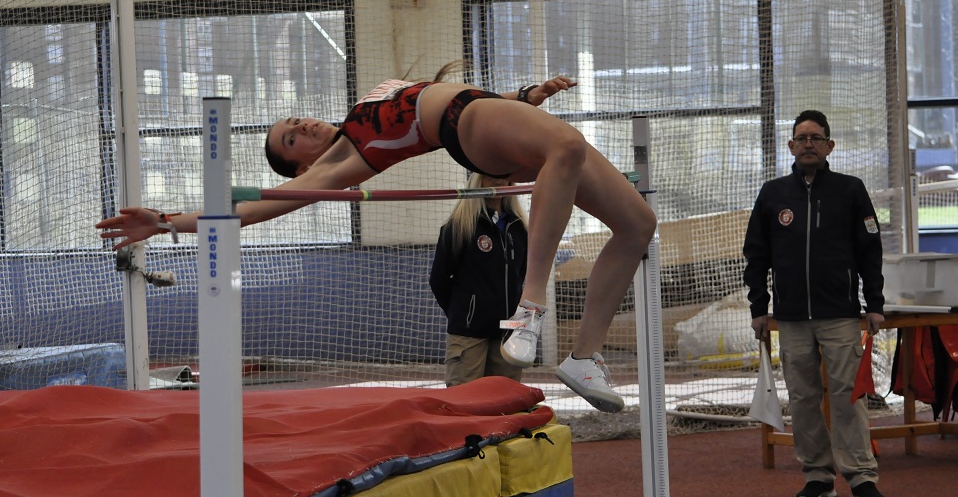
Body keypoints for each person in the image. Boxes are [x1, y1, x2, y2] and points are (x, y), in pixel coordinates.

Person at [97, 62, 657, 412]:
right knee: (566, 147)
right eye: (294, 139)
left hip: (488, 114)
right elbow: (248, 212)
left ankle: (585, 356)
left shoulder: (355, 116)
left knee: (637, 225)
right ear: (300, 169)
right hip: (468, 125)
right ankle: (531, 306)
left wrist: (523, 100)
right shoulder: (339, 163)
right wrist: (168, 221)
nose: (305, 127)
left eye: (297, 120)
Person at [743, 109, 888, 497]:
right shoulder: (773, 194)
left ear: (829, 145)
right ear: (791, 146)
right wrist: (760, 307)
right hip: (790, 318)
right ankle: (818, 475)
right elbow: (756, 255)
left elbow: (870, 251)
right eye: (801, 137)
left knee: (848, 396)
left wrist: (873, 303)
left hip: (840, 314)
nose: (808, 143)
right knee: (804, 398)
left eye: (816, 137)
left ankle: (860, 476)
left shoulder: (850, 190)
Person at [429, 172, 529, 386]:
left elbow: (522, 276)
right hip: (468, 335)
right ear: (477, 179)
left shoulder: (519, 229)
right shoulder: (460, 226)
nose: (498, 180)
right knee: (465, 402)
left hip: (508, 333)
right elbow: (438, 279)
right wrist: (465, 314)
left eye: (503, 175)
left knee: (505, 401)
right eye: (491, 174)